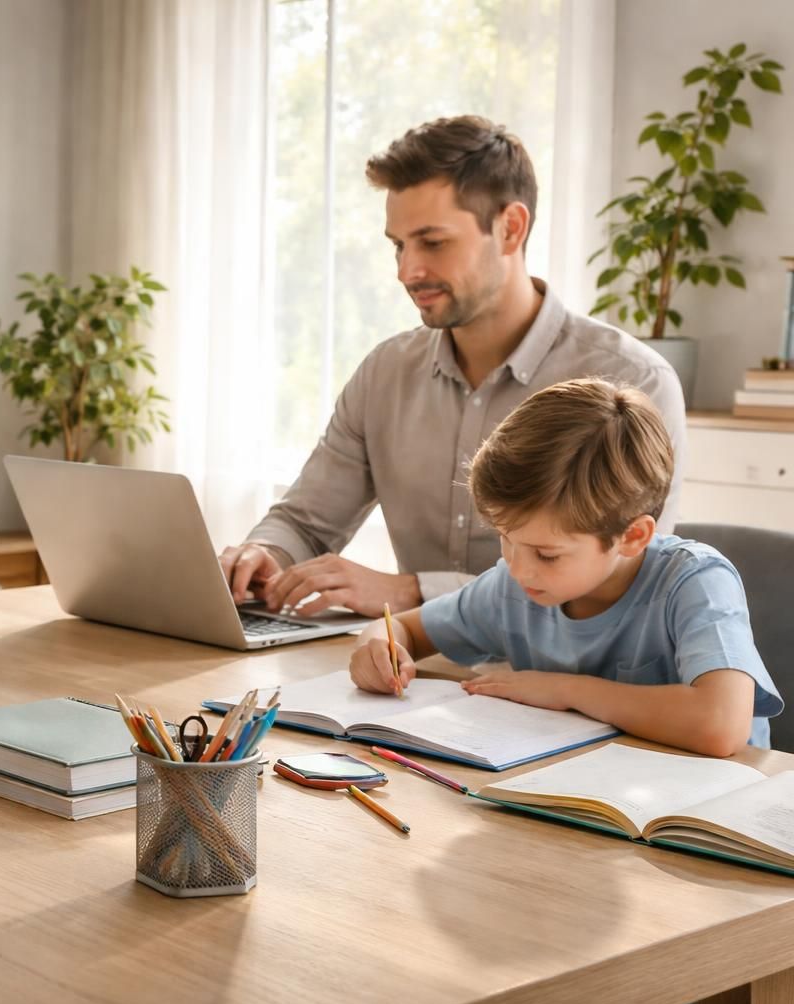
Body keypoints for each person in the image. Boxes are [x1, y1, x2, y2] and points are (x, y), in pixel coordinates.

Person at [220, 115, 688, 618]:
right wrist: (266, 554)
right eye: (398, 245)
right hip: (405, 660)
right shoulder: (385, 374)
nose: (407, 271)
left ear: (510, 228)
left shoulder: (633, 384)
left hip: (555, 668)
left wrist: (416, 593)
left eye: (433, 242)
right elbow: (305, 522)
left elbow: (621, 589)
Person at [349, 378, 783, 755]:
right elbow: (401, 629)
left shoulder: (696, 582)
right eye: (505, 538)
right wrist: (378, 647)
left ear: (632, 536)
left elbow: (720, 725)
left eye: (547, 554)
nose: (518, 568)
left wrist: (566, 691)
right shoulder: (514, 587)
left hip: (709, 806)